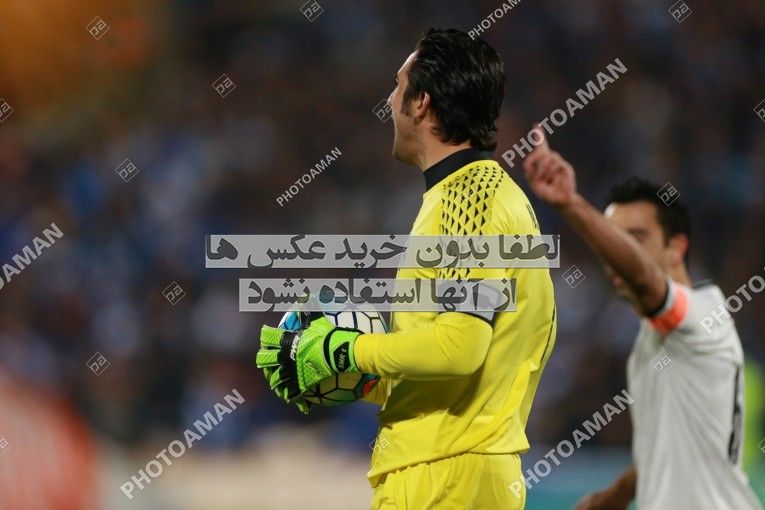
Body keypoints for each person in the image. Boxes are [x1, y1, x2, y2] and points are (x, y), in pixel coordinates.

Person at [257, 28, 557, 509]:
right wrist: (350, 375)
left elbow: (460, 348)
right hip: (453, 472)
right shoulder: (473, 196)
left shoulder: (470, 199)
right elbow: (454, 366)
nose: (390, 100)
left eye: (398, 87)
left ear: (421, 103)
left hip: (444, 477)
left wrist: (347, 349)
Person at [523, 129, 764, 510]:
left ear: (676, 248)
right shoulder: (651, 342)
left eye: (636, 238)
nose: (618, 254)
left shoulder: (703, 314)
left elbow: (644, 279)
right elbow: (668, 445)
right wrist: (613, 497)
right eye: (614, 239)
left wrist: (571, 204)